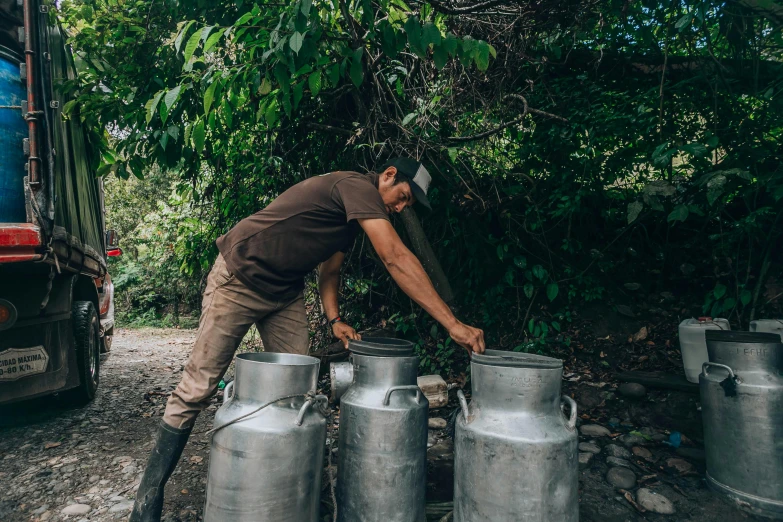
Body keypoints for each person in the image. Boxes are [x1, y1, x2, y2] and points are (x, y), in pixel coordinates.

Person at [130, 157, 485, 521]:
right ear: (389, 176)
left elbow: (329, 272)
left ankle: (279, 492)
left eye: (408, 205)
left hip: (283, 293)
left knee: (296, 394)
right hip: (239, 277)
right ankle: (147, 501)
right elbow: (394, 257)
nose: (400, 206)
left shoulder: (351, 218)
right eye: (403, 196)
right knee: (198, 388)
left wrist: (335, 319)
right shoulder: (357, 187)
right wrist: (452, 324)